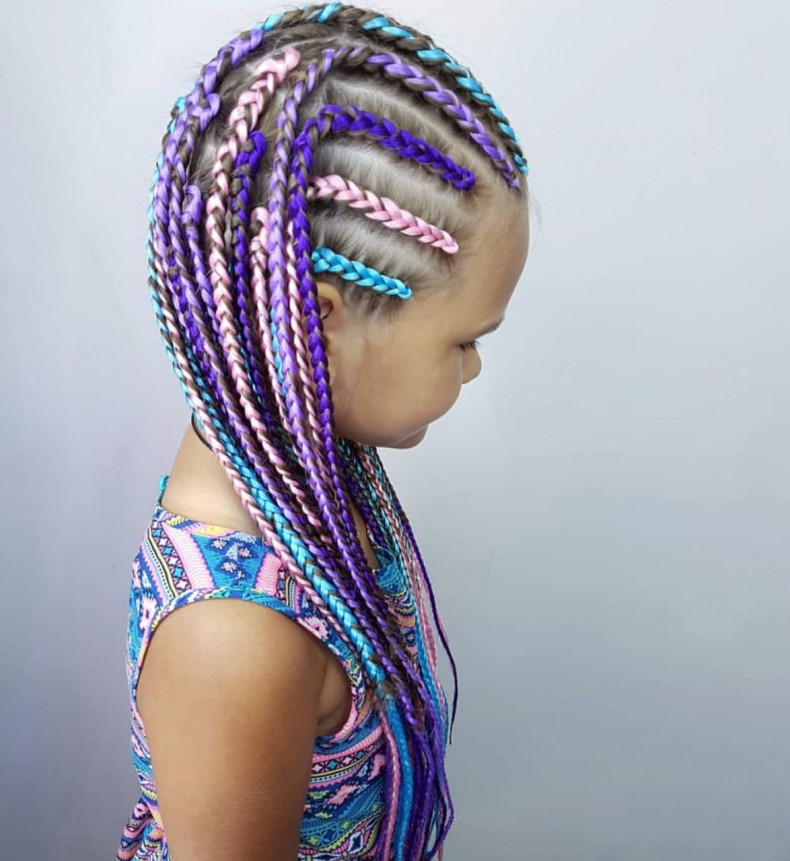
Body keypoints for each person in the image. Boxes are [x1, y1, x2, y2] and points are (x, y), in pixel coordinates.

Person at [117, 2, 531, 859]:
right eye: (464, 341)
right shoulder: (235, 638)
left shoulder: (307, 458)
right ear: (320, 323)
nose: (473, 369)